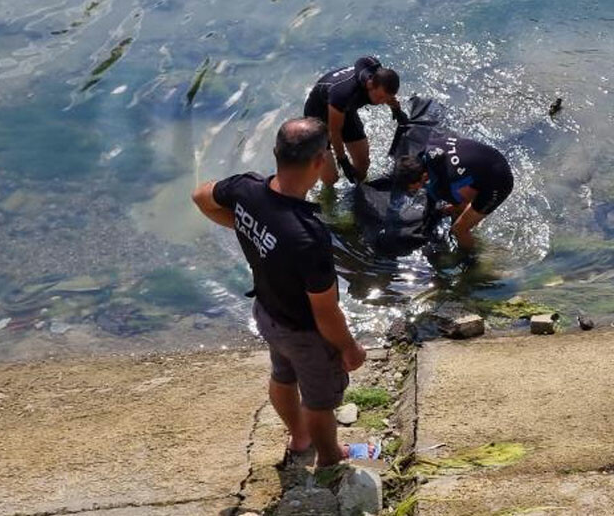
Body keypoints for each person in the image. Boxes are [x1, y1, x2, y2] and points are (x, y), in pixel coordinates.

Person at [191, 117, 366, 468]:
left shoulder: (246, 189)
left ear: (276, 153)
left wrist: (242, 223)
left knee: (282, 377)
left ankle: (299, 438)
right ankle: (331, 459)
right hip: (304, 333)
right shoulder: (308, 236)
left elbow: (201, 196)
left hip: (268, 314)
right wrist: (348, 346)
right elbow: (326, 312)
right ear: (319, 162)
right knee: (319, 402)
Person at [395, 135, 513, 251]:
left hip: (499, 181)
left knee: (458, 229)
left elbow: (459, 203)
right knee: (456, 207)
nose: (411, 191)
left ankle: (472, 259)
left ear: (424, 176)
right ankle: (469, 215)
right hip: (490, 159)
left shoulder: (443, 185)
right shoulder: (425, 148)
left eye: (413, 188)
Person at [303, 56, 402, 186]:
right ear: (370, 85)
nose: (381, 102)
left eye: (385, 99)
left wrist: (397, 111)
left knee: (363, 163)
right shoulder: (343, 93)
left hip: (345, 111)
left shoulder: (380, 80)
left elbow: (388, 95)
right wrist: (343, 160)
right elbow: (334, 131)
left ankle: (357, 192)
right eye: (380, 97)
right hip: (318, 117)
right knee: (330, 178)